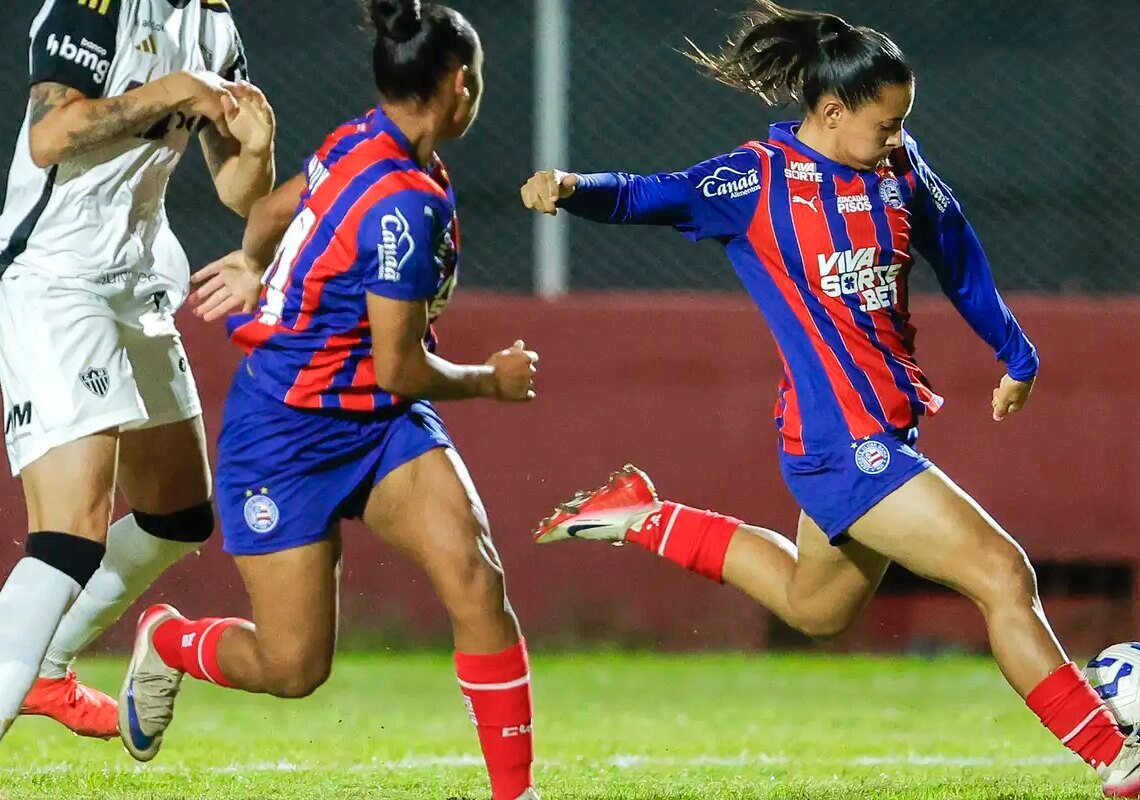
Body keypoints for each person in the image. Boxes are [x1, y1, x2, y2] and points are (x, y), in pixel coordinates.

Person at [520, 2, 1140, 795]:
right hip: (841, 440)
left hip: (881, 431)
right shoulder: (755, 180)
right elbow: (652, 194)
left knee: (814, 609)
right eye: (885, 125)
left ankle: (641, 515)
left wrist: (1015, 349)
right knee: (1002, 574)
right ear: (833, 111)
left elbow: (953, 245)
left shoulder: (898, 166)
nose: (896, 138)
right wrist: (572, 187)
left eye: (902, 124)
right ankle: (1114, 755)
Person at [118, 3, 540, 799]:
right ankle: (171, 642)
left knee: (475, 579)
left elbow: (274, 209)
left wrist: (255, 264)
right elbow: (400, 369)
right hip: (287, 436)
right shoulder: (405, 201)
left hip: (378, 427)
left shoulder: (364, 139)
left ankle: (517, 794)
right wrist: (491, 379)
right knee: (293, 668)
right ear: (459, 83)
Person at [0, 0, 275, 740]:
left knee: (179, 516)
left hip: (139, 279)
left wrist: (257, 151)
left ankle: (44, 671)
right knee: (69, 536)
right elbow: (50, 136)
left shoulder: (215, 24)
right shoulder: (96, 6)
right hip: (57, 278)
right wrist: (173, 90)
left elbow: (239, 194)